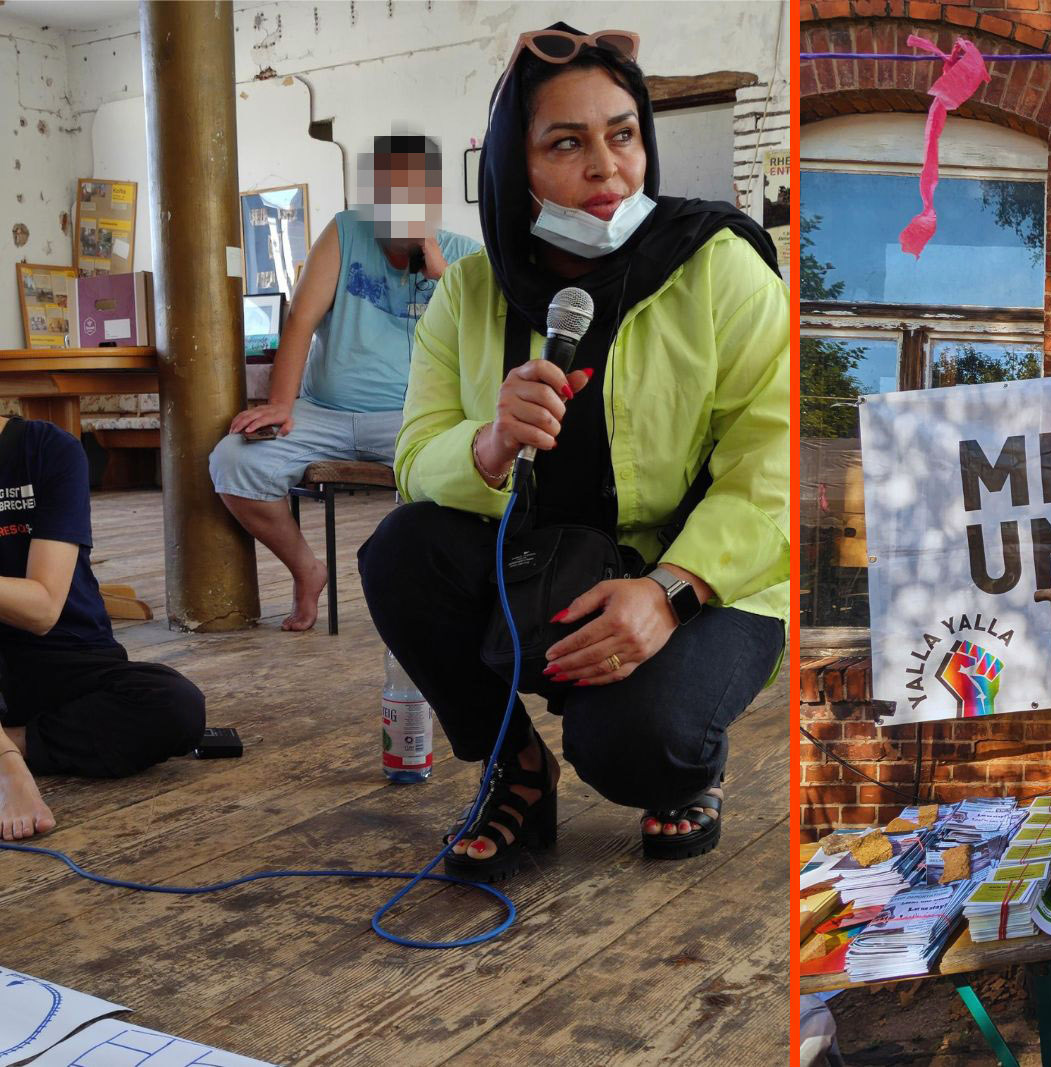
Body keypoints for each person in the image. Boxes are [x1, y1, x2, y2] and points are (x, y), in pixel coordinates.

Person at [358, 24, 788, 880]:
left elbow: (774, 465)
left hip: (702, 576)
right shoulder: (470, 293)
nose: (607, 169)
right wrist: (484, 445)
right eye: (567, 142)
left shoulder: (719, 268)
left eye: (623, 134)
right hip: (546, 559)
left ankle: (689, 769)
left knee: (633, 744)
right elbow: (412, 460)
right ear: (513, 168)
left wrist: (670, 592)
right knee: (399, 555)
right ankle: (515, 765)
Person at [209, 134, 480, 631]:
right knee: (233, 461)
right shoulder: (345, 232)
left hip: (409, 418)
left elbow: (487, 340)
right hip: (323, 411)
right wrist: (281, 404)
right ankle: (307, 570)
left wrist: (442, 276)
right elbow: (301, 321)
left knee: (449, 484)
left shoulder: (465, 258)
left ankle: (422, 604)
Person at [0, 416, 206, 841]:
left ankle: (12, 743)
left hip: (60, 652)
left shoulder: (47, 449)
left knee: (174, 707)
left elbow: (42, 608)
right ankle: (6, 764)